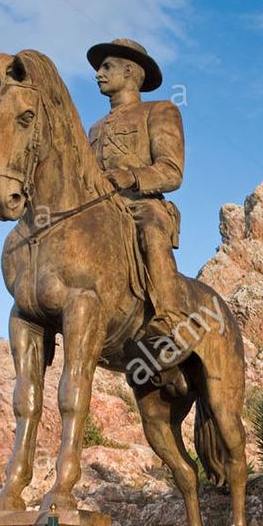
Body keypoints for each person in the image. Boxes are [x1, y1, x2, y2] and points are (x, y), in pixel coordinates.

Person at [86, 38, 190, 390]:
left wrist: (130, 176)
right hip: (102, 210)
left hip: (142, 205)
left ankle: (169, 318)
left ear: (129, 71)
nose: (98, 74)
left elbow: (171, 171)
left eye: (106, 67)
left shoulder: (159, 111)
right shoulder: (94, 128)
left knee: (150, 229)